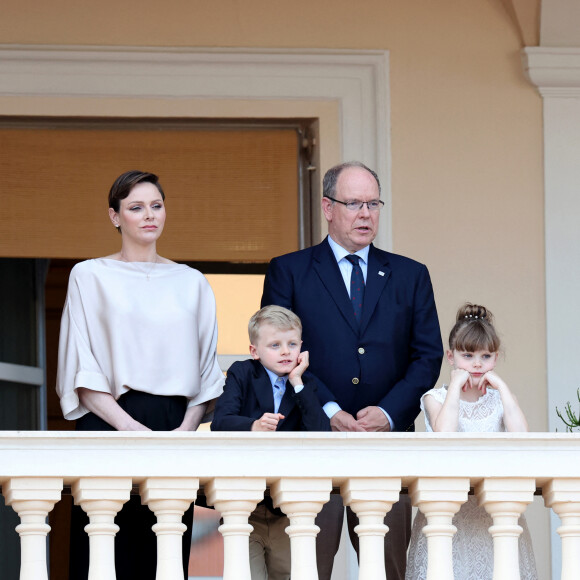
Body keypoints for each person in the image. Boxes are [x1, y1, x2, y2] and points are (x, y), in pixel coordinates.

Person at [261, 161, 443, 580]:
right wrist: (327, 409)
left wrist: (390, 412)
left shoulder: (411, 275)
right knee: (308, 569)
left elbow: (427, 357)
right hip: (313, 441)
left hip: (386, 444)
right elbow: (280, 354)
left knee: (389, 569)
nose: (365, 214)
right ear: (327, 207)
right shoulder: (289, 270)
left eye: (373, 204)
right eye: (354, 204)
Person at [56, 170, 225, 580]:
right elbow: (82, 366)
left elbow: (207, 370)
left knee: (164, 553)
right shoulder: (88, 275)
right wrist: (129, 427)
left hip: (174, 428)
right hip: (107, 424)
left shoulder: (192, 282)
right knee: (103, 554)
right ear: (115, 217)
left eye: (156, 205)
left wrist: (184, 431)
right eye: (135, 208)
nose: (149, 215)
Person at [405, 303, 538, 580]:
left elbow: (522, 438)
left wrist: (502, 389)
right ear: (451, 357)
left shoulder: (500, 399)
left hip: (493, 513)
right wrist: (454, 386)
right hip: (447, 512)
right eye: (468, 355)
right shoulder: (435, 398)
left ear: (496, 358)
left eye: (486, 356)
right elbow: (445, 436)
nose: (477, 364)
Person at [211, 305, 330, 580]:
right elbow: (221, 422)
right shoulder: (242, 373)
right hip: (245, 505)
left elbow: (321, 433)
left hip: (286, 509)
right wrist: (252, 426)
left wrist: (297, 382)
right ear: (255, 351)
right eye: (275, 345)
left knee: (287, 574)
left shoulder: (305, 384)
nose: (286, 351)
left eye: (292, 344)